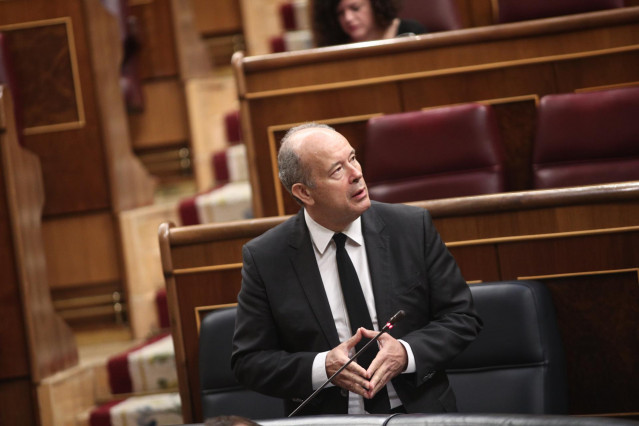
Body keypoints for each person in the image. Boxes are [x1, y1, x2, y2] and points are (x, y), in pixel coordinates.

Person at [231, 123, 482, 416]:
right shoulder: (266, 258)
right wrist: (321, 368)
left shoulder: (411, 228)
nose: (356, 174)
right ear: (304, 193)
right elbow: (249, 361)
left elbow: (462, 317)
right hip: (329, 422)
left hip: (418, 414)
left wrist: (406, 352)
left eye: (353, 158)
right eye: (337, 170)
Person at [312, 0, 426, 47]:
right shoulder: (333, 46)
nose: (348, 18)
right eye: (340, 13)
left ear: (375, 4)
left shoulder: (411, 31)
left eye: (355, 8)